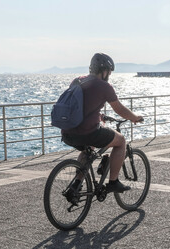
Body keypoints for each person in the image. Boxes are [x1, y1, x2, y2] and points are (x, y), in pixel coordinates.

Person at [61, 53, 143, 193]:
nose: (109, 74)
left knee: (89, 149)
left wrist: (99, 115)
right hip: (88, 132)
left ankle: (76, 185)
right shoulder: (105, 86)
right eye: (109, 72)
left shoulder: (77, 81)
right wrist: (134, 117)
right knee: (121, 141)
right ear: (104, 71)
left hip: (68, 132)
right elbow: (119, 109)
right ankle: (113, 182)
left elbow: (80, 106)